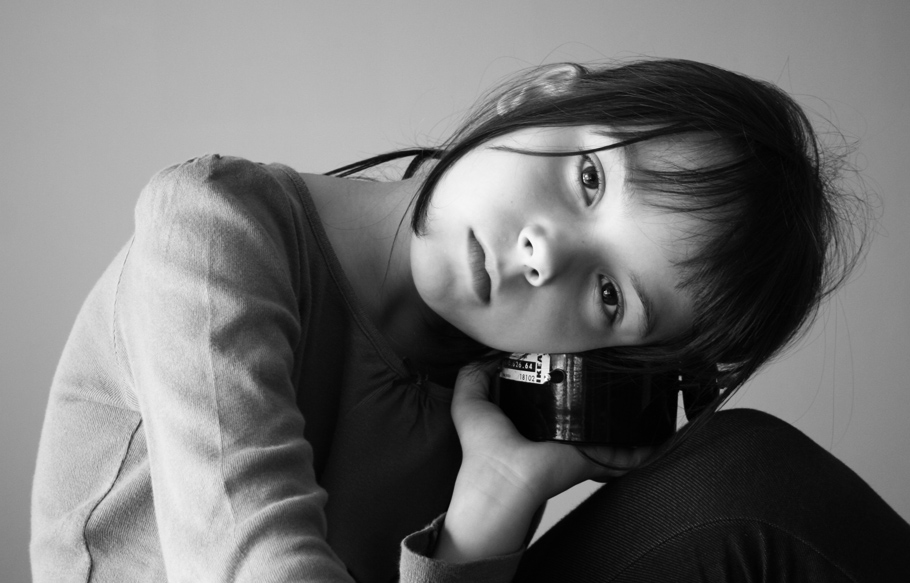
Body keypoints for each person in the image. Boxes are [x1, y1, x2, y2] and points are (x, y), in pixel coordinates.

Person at [30, 58, 909, 582]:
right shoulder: (211, 231)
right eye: (590, 180)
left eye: (609, 296)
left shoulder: (489, 397)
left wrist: (494, 500)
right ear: (536, 97)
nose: (542, 255)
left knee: (746, 474)